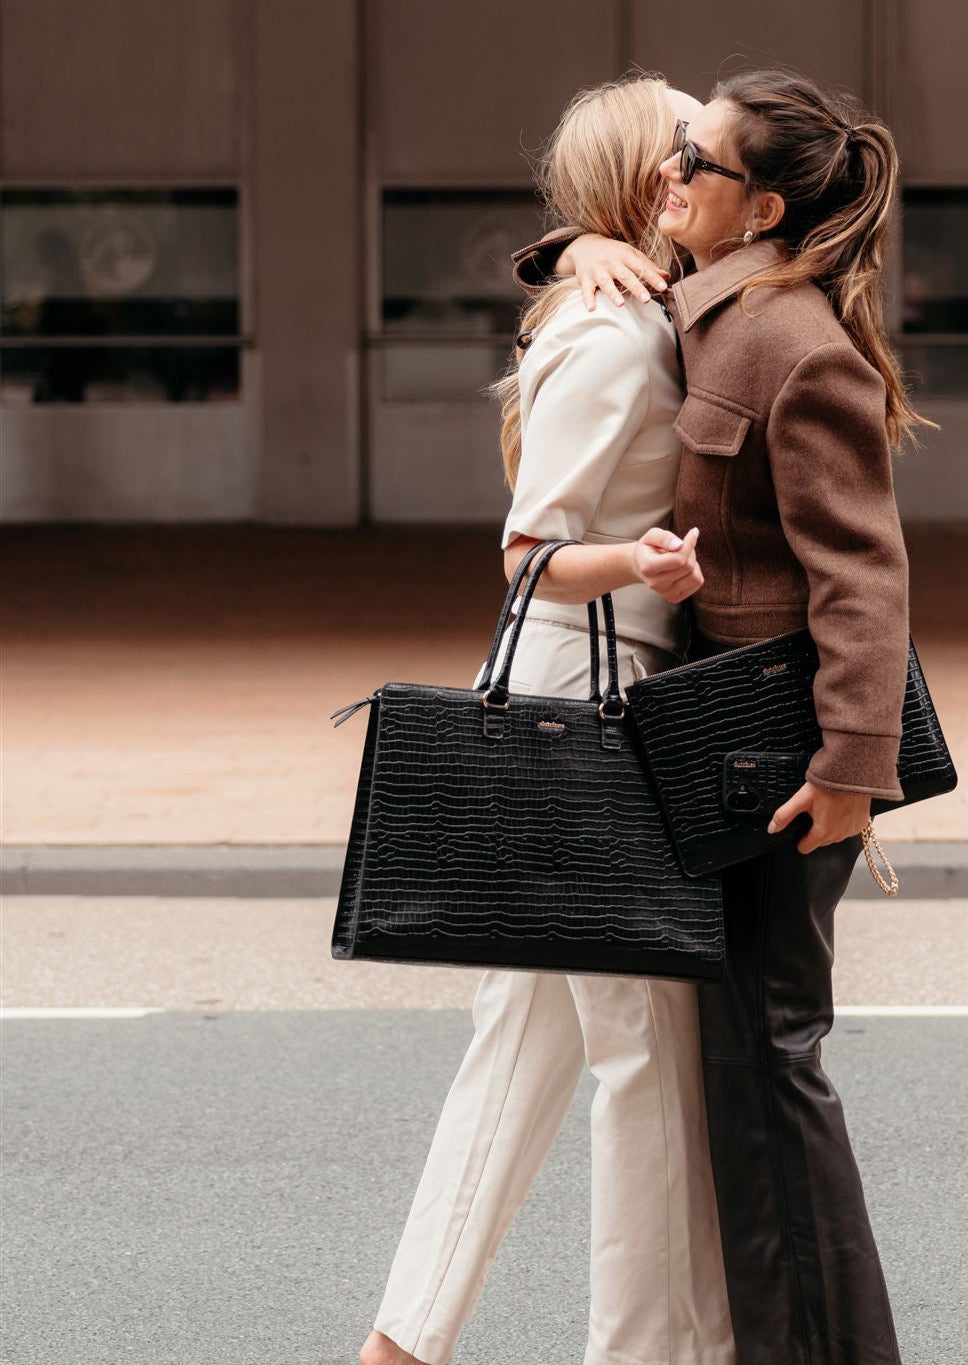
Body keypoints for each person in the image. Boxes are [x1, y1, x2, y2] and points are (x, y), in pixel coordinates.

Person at [511, 69, 939, 1365]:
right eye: (669, 156)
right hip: (727, 748)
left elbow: (863, 575)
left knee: (772, 1075)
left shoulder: (787, 340)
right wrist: (570, 245)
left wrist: (853, 773)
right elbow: (617, 261)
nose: (665, 176)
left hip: (784, 757)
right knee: (743, 1082)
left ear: (756, 205)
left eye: (691, 162)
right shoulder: (720, 304)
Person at [359, 76, 736, 1365]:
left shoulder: (635, 302)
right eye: (685, 144)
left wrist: (578, 248)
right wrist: (641, 562)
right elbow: (529, 551)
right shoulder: (618, 331)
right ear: (649, 175)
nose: (704, 159)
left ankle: (402, 1347)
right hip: (590, 711)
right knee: (646, 1057)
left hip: (580, 702)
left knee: (519, 1054)